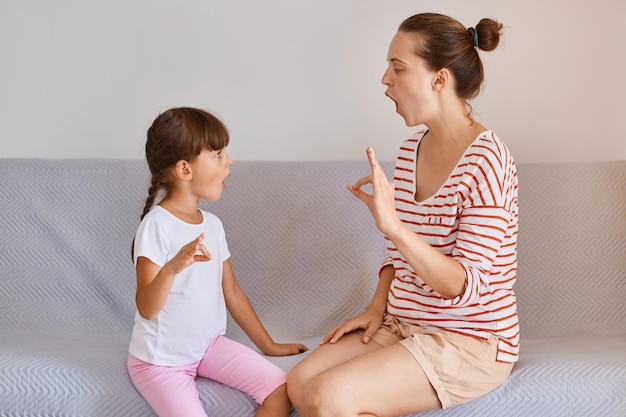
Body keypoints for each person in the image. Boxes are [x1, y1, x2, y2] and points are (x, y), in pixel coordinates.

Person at [287, 12, 519, 417]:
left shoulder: (488, 160)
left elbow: (461, 285)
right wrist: (377, 307)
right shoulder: (412, 149)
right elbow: (400, 253)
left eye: (398, 68)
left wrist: (392, 224)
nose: (384, 80)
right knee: (300, 382)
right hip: (404, 325)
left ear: (439, 79)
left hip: (469, 340)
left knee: (328, 397)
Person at [127, 107, 308, 417]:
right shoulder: (156, 226)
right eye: (218, 154)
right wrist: (172, 267)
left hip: (208, 348)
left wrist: (269, 346)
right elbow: (146, 306)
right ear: (185, 170)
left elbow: (232, 292)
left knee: (281, 388)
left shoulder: (212, 224)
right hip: (160, 363)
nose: (229, 161)